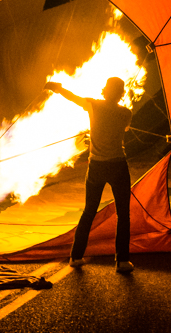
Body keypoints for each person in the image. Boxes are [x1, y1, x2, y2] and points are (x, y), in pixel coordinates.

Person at [44, 77, 135, 273]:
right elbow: (125, 128)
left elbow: (73, 97)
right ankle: (122, 261)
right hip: (118, 165)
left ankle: (76, 257)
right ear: (121, 93)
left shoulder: (93, 105)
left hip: (97, 166)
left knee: (89, 211)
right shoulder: (126, 113)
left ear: (104, 90)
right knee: (123, 214)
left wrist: (57, 88)